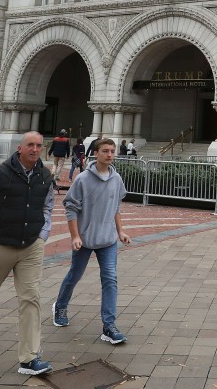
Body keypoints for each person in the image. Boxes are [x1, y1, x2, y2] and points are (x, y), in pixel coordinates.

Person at [0, 131, 55, 376]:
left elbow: (48, 206)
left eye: (39, 145)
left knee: (31, 298)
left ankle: (29, 357)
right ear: (20, 148)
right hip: (0, 245)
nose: (35, 149)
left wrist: (43, 234)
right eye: (30, 145)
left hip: (31, 246)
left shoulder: (45, 175)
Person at [51, 138, 131, 346]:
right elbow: (71, 207)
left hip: (107, 240)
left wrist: (120, 231)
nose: (110, 155)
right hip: (85, 240)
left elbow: (116, 207)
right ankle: (60, 306)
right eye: (105, 151)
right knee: (74, 275)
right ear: (95, 153)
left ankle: (109, 326)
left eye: (112, 151)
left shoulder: (116, 179)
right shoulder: (83, 179)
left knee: (110, 279)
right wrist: (75, 236)